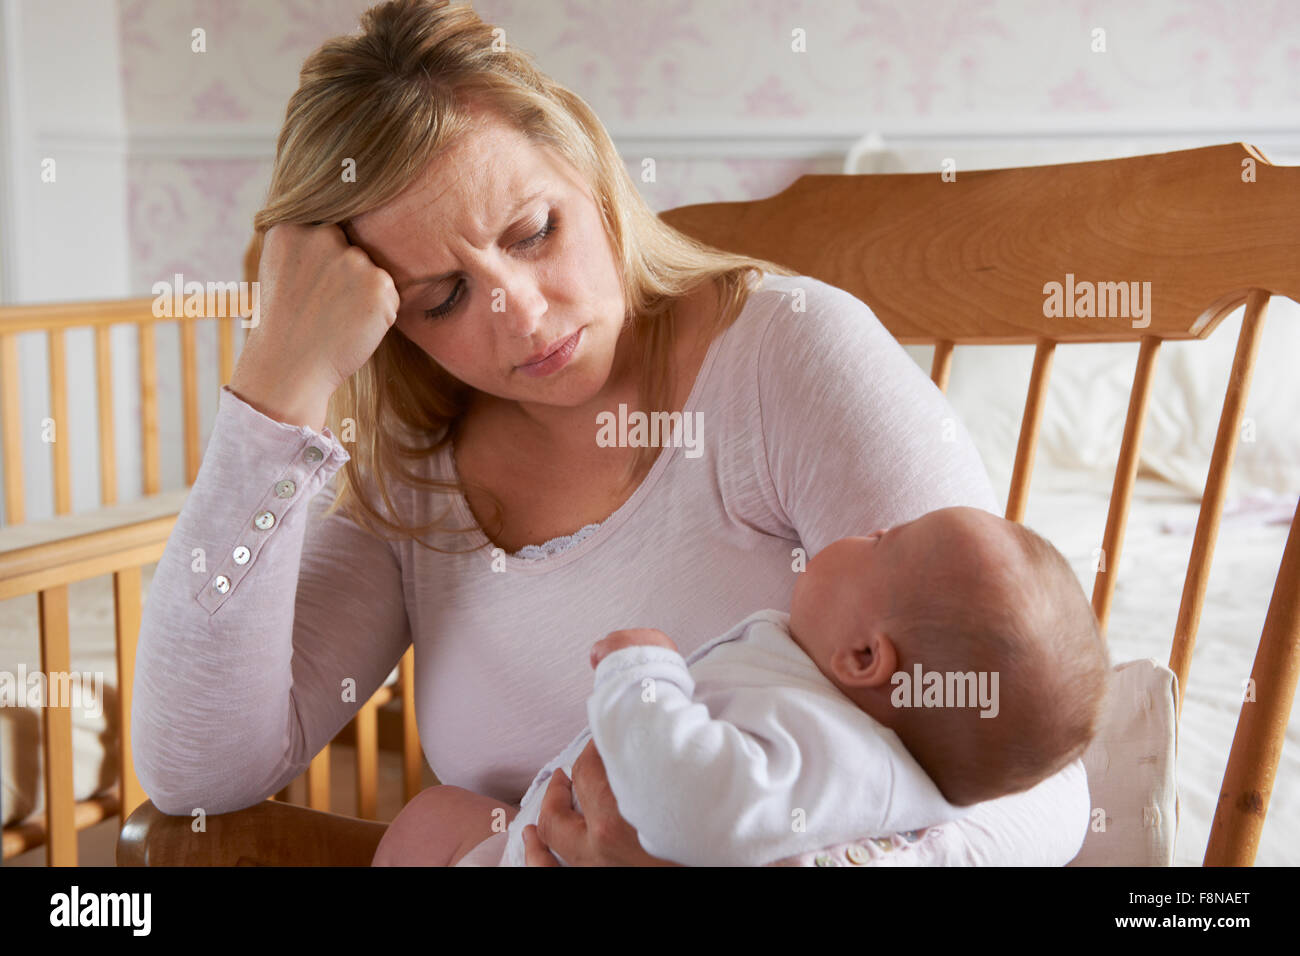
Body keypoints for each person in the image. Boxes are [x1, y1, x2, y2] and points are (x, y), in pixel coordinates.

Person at [131, 0, 1092, 867]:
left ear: (589, 165)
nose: (522, 316)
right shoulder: (417, 477)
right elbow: (197, 768)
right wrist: (275, 390)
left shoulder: (789, 359)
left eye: (533, 231)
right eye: (445, 298)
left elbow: (1036, 795)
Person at [427, 507, 1110, 866]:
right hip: (543, 837)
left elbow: (690, 805)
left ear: (866, 655)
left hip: (551, 850)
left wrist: (644, 675)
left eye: (882, 539)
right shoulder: (845, 727)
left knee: (425, 828)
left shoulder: (833, 751)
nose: (867, 527)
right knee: (431, 821)